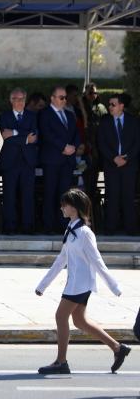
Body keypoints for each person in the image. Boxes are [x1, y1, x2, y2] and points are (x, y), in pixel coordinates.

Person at [35, 188, 131, 375]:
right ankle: (118, 348)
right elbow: (61, 260)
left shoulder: (85, 233)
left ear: (75, 208)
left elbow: (97, 261)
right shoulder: (71, 230)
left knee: (60, 316)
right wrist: (43, 285)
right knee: (79, 321)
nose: (62, 207)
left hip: (80, 284)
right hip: (75, 283)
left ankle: (61, 362)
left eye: (65, 204)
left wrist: (114, 286)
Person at [38, 86, 80, 233]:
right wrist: (63, 147)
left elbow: (76, 133)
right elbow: (47, 134)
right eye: (61, 97)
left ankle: (63, 224)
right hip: (52, 160)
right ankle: (49, 225)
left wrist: (73, 147)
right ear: (52, 98)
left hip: (67, 161)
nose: (64, 100)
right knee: (50, 193)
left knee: (65, 195)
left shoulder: (69, 115)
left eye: (65, 97)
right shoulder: (44, 114)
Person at [0, 88, 38, 235]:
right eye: (16, 99)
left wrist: (14, 133)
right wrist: (25, 137)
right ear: (11, 101)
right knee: (9, 195)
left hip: (28, 161)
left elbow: (34, 137)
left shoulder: (32, 116)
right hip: (10, 162)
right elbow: (5, 138)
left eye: (22, 99)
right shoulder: (4, 116)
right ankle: (10, 226)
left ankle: (28, 226)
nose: (19, 102)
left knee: (28, 195)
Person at [97, 93, 139, 235]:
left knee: (128, 195)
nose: (110, 107)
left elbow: (137, 143)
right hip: (111, 164)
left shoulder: (133, 121)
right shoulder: (105, 122)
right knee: (112, 195)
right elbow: (101, 143)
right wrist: (113, 158)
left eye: (113, 104)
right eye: (109, 104)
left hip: (129, 165)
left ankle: (130, 228)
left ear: (122, 106)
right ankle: (110, 227)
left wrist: (126, 158)